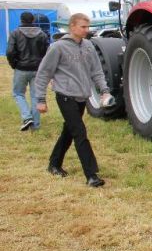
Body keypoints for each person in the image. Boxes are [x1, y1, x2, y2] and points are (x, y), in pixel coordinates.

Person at [34, 13, 112, 187]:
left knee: (68, 132)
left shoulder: (89, 46)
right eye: (83, 27)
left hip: (81, 96)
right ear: (72, 27)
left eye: (87, 27)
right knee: (80, 133)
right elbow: (44, 73)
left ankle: (54, 164)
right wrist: (40, 99)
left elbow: (97, 72)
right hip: (65, 96)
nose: (87, 30)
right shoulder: (58, 48)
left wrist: (104, 91)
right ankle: (91, 175)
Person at [6, 11, 49, 131]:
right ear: (33, 20)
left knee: (18, 93)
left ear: (21, 20)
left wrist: (14, 64)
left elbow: (9, 52)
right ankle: (35, 125)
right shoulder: (42, 34)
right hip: (37, 69)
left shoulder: (15, 33)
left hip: (21, 68)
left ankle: (27, 117)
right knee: (36, 96)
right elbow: (47, 53)